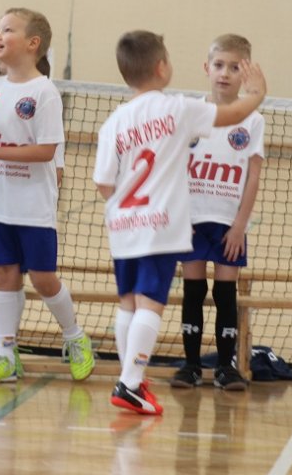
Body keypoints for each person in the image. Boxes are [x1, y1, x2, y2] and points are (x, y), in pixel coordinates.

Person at [94, 30, 265, 415]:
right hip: (159, 224)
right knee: (150, 304)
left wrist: (129, 206)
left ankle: (129, 377)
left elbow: (104, 183)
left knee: (128, 303)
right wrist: (258, 93)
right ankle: (130, 384)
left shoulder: (114, 122)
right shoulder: (177, 109)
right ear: (162, 67)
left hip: (123, 226)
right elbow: (234, 114)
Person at [0, 8, 95, 384]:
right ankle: (6, 354)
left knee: (42, 278)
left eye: (8, 29)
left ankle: (75, 336)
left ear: (32, 43)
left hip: (32, 206)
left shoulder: (44, 92)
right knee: (3, 274)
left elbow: (46, 150)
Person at [171, 34, 264, 392]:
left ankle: (226, 367)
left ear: (246, 73)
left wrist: (240, 226)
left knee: (226, 294)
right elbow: (173, 166)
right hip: (192, 221)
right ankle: (191, 366)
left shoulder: (252, 120)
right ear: (206, 68)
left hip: (229, 224)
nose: (225, 73)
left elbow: (252, 176)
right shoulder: (190, 113)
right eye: (219, 65)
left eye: (234, 67)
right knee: (193, 291)